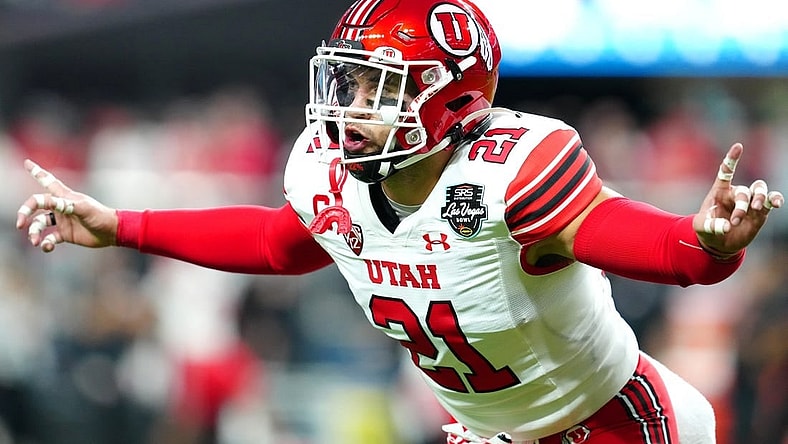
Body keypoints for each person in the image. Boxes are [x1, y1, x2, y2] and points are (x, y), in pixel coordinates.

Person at [14, 0, 784, 443]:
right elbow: (278, 243)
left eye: (377, 88)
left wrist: (707, 242)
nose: (347, 108)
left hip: (610, 427)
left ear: (452, 99)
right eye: (346, 83)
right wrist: (122, 224)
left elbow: (657, 249)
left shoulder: (512, 171)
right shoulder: (329, 170)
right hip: (483, 433)